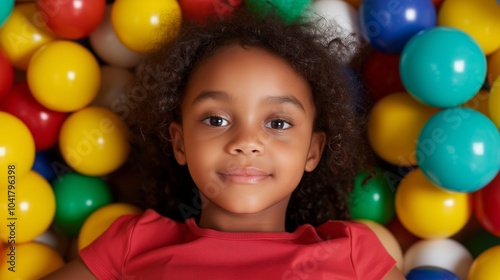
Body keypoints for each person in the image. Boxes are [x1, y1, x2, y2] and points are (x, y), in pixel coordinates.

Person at [44, 7, 405, 280]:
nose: (246, 142)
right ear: (180, 142)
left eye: (278, 123)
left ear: (313, 150)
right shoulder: (133, 245)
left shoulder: (356, 257)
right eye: (216, 120)